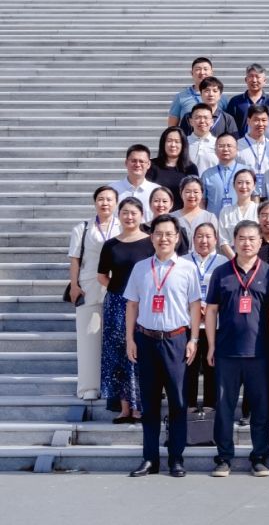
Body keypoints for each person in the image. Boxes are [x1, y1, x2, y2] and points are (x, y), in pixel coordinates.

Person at [118, 214, 202, 478]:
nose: (163, 238)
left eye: (169, 234)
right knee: (149, 403)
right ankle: (149, 459)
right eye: (158, 234)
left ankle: (176, 458)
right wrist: (130, 339)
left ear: (177, 238)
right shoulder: (141, 268)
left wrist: (194, 339)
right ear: (151, 237)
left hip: (177, 340)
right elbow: (132, 305)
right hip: (146, 339)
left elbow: (195, 306)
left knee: (178, 402)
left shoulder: (188, 268)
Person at [205, 220, 269, 477]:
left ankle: (259, 458)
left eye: (252, 239)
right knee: (224, 408)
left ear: (260, 242)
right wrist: (211, 345)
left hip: (260, 353)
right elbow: (211, 311)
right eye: (242, 238)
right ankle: (224, 458)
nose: (247, 243)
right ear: (234, 241)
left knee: (261, 409)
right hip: (227, 352)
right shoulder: (221, 272)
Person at [97, 197, 152, 422]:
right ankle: (125, 407)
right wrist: (121, 290)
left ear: (142, 215)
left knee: (140, 353)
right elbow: (102, 276)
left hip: (144, 304)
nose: (129, 217)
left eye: (134, 213)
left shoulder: (150, 242)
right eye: (125, 213)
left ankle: (140, 407)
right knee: (119, 355)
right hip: (116, 305)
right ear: (119, 215)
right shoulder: (111, 245)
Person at [68, 186, 121, 400]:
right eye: (100, 199)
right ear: (94, 202)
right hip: (88, 284)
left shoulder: (123, 225)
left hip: (117, 283)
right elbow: (75, 260)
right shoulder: (82, 228)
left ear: (116, 203)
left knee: (118, 337)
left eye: (109, 199)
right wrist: (74, 285)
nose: (105, 203)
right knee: (89, 335)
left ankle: (116, 386)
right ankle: (89, 386)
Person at [184, 223, 225, 411]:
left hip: (215, 324)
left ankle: (210, 408)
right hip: (187, 322)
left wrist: (209, 307)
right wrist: (194, 306)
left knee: (212, 367)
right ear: (193, 240)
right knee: (188, 367)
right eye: (199, 236)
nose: (204, 240)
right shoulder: (182, 261)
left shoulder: (223, 263)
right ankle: (189, 407)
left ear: (216, 239)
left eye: (208, 236)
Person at [111, 144, 162, 220]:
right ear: (126, 162)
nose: (137, 164)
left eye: (141, 161)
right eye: (133, 161)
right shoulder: (112, 189)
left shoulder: (157, 191)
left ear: (148, 164)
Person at [148, 126, 199, 197]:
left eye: (177, 141)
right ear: (163, 143)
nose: (173, 145)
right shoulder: (151, 165)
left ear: (183, 145)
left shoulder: (190, 168)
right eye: (169, 141)